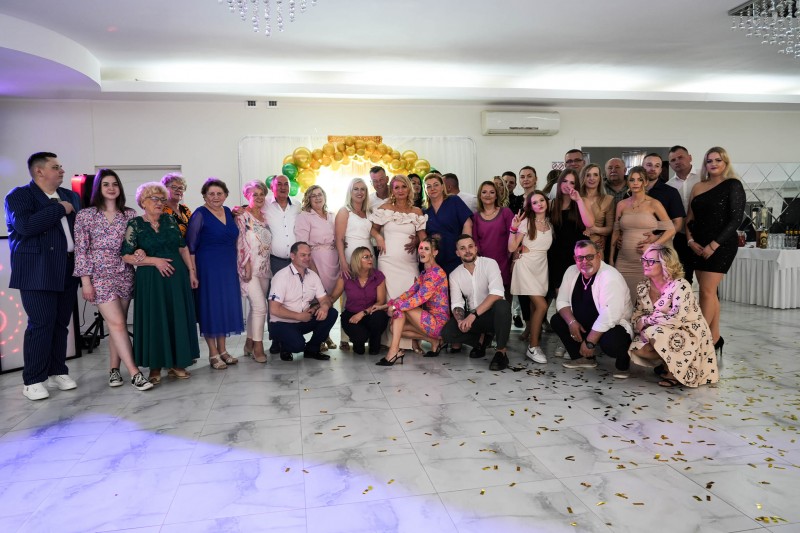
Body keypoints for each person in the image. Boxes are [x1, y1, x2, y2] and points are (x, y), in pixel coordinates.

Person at [5, 152, 82, 400]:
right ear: (39, 171)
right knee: (41, 324)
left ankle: (57, 371)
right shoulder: (19, 196)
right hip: (37, 270)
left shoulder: (71, 195)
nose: (62, 170)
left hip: (68, 267)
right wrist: (58, 208)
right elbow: (25, 226)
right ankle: (33, 380)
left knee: (61, 323)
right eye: (56, 167)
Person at [73, 169, 152, 391]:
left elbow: (136, 244)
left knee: (119, 324)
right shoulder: (85, 215)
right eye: (106, 184)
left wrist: (139, 252)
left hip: (125, 273)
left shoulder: (129, 214)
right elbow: (81, 250)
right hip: (99, 276)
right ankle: (135, 373)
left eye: (115, 184)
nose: (111, 188)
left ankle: (114, 370)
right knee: (117, 324)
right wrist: (86, 282)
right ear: (98, 188)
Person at [121, 182, 200, 384]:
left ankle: (177, 363)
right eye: (154, 199)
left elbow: (183, 248)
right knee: (154, 319)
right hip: (151, 281)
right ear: (143, 202)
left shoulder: (170, 220)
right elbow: (126, 255)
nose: (159, 203)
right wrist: (154, 261)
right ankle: (155, 367)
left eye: (162, 199)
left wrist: (191, 272)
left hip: (177, 278)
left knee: (177, 318)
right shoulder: (135, 224)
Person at [628, 244, 718, 387]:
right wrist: (641, 323)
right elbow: (636, 316)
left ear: (665, 264)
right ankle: (667, 363)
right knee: (637, 348)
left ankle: (674, 372)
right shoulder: (643, 287)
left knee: (654, 332)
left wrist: (647, 321)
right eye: (644, 260)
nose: (645, 264)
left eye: (650, 261)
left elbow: (677, 318)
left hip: (688, 330)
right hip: (660, 330)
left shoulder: (680, 285)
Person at [685, 146, 746, 356]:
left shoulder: (733, 185)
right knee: (709, 293)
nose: (713, 164)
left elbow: (736, 220)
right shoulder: (698, 187)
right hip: (697, 246)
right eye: (709, 161)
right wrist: (690, 241)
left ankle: (699, 341)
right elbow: (689, 218)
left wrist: (714, 245)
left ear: (725, 162)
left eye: (718, 160)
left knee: (706, 291)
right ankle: (715, 338)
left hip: (721, 246)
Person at [186, 178, 244, 370]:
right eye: (211, 194)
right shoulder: (199, 214)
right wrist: (193, 273)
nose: (215, 197)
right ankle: (213, 353)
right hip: (208, 268)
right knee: (210, 308)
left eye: (219, 193)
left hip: (228, 267)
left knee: (223, 307)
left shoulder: (227, 211)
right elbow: (190, 247)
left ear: (225, 195)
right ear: (204, 196)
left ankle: (223, 350)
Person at [553, 240, 633, 378]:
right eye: (580, 258)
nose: (585, 261)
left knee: (612, 342)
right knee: (557, 320)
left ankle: (623, 363)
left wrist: (590, 342)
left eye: (589, 257)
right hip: (586, 324)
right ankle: (584, 358)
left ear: (599, 256)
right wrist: (572, 322)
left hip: (613, 326)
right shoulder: (571, 271)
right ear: (575, 259)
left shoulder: (610, 276)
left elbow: (610, 314)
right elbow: (562, 300)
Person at [370, 175, 428, 352]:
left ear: (409, 189)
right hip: (388, 262)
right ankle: (391, 342)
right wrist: (379, 237)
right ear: (392, 190)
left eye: (404, 186)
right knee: (391, 300)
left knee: (411, 300)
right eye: (397, 187)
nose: (400, 190)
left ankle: (412, 340)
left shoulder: (417, 212)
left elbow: (423, 237)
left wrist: (418, 243)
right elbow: (373, 229)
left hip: (409, 263)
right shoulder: (384, 208)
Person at [374, 237, 449, 366]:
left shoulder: (436, 273)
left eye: (427, 249)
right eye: (421, 248)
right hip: (429, 321)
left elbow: (419, 298)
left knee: (401, 309)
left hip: (439, 323)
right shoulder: (425, 273)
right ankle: (434, 341)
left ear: (435, 252)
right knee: (394, 328)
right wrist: (384, 306)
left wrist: (395, 307)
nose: (422, 251)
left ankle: (393, 352)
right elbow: (409, 293)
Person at [441, 234, 511, 370]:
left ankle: (501, 352)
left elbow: (497, 294)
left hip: (494, 315)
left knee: (502, 305)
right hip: (477, 320)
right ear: (457, 253)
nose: (467, 251)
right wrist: (460, 321)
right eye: (462, 248)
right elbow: (457, 303)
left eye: (470, 246)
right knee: (448, 332)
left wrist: (473, 315)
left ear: (476, 248)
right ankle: (482, 339)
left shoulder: (490, 263)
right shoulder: (455, 274)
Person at [610, 166, 676, 297]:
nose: (635, 183)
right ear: (628, 182)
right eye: (632, 179)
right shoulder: (621, 204)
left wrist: (653, 246)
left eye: (639, 179)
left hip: (648, 261)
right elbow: (616, 232)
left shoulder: (654, 203)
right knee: (622, 298)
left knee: (645, 300)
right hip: (623, 261)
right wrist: (611, 259)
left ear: (645, 182)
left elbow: (671, 229)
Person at [268, 241, 338, 361]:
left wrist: (324, 307)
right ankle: (284, 345)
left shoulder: (313, 275)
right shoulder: (281, 276)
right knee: (298, 346)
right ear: (292, 256)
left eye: (309, 255)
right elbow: (274, 309)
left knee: (331, 313)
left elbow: (324, 299)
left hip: (304, 319)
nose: (307, 258)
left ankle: (312, 349)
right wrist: (298, 316)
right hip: (282, 323)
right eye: (303, 255)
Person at [509, 191, 553, 363]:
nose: (539, 204)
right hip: (526, 265)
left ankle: (533, 339)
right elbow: (512, 247)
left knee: (536, 307)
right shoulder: (526, 222)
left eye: (541, 200)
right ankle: (533, 347)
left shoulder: (550, 224)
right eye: (535, 202)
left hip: (541, 267)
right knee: (542, 306)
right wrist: (513, 229)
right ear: (531, 206)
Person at [328, 246, 389, 355]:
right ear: (357, 260)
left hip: (371, 313)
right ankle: (358, 341)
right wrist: (320, 306)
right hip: (351, 314)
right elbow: (333, 297)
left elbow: (380, 301)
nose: (370, 259)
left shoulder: (378, 276)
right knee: (359, 345)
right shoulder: (345, 276)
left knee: (379, 316)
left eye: (371, 256)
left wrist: (363, 313)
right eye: (366, 257)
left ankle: (374, 343)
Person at [237, 180, 272, 363]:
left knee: (255, 308)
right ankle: (259, 347)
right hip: (249, 267)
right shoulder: (242, 216)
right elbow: (240, 242)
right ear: (247, 196)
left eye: (261, 194)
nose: (259, 197)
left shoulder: (266, 217)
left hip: (264, 268)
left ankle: (249, 342)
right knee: (260, 307)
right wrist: (246, 265)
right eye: (254, 194)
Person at [335, 177, 372, 350]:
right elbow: (339, 239)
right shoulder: (345, 211)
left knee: (368, 294)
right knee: (349, 295)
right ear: (350, 192)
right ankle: (344, 337)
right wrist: (343, 262)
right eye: (356, 189)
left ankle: (365, 333)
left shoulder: (368, 212)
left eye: (363, 189)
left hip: (368, 254)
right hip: (350, 256)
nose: (359, 192)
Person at [264, 174, 300, 354]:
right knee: (274, 300)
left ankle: (290, 337)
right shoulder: (265, 205)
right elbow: (248, 211)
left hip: (296, 262)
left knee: (292, 299)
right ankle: (275, 339)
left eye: (286, 184)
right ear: (272, 187)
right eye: (279, 184)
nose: (283, 187)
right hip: (275, 261)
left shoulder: (298, 206)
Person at [547, 169, 595, 296]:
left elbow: (589, 223)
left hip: (578, 253)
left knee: (579, 292)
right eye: (564, 181)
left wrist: (578, 200)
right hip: (557, 254)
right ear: (559, 182)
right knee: (560, 293)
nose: (567, 185)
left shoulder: (582, 201)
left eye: (572, 183)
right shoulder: (551, 204)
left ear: (576, 186)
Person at [424, 173, 473, 274]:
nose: (432, 188)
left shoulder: (454, 201)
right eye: (428, 186)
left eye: (436, 185)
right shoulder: (424, 211)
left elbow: (467, 224)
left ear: (442, 187)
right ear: (425, 190)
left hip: (455, 255)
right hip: (434, 259)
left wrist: (464, 248)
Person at [667, 145, 701, 283]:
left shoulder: (704, 178)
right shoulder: (669, 186)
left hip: (704, 235)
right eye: (673, 160)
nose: (677, 161)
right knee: (683, 280)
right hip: (681, 237)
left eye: (680, 157)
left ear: (690, 157)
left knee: (707, 282)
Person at [472, 180, 515, 289]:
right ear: (480, 195)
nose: (488, 195)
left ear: (496, 196)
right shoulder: (475, 216)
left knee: (504, 295)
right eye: (484, 192)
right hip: (484, 264)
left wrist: (513, 258)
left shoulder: (506, 212)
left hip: (504, 262)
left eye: (492, 192)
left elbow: (514, 236)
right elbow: (475, 241)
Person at [643, 153, 685, 234]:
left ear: (660, 170)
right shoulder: (631, 192)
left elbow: (678, 225)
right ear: (642, 167)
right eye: (649, 165)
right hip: (633, 239)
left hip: (662, 240)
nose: (653, 169)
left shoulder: (671, 192)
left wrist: (657, 238)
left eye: (657, 166)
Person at [580, 164, 614, 253]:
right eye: (588, 175)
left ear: (600, 178)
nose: (592, 178)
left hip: (596, 246)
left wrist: (594, 229)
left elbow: (610, 228)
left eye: (595, 175)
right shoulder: (576, 197)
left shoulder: (608, 199)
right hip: (576, 243)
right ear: (583, 178)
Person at [161, 172, 192, 237]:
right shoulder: (159, 209)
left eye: (181, 188)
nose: (178, 190)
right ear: (164, 189)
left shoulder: (185, 209)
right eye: (174, 187)